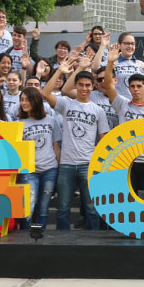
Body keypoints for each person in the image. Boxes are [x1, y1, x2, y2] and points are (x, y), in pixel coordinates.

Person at [43, 59, 110, 230]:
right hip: (66, 164)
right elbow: (45, 93)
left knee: (91, 208)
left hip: (88, 164)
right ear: (76, 86)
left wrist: (101, 163)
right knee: (63, 208)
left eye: (88, 85)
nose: (84, 88)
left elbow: (104, 138)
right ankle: (62, 243)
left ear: (92, 86)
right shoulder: (66, 104)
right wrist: (59, 71)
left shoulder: (98, 110)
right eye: (80, 85)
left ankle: (94, 244)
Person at [102, 53, 144, 203]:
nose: (136, 89)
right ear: (129, 88)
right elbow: (108, 85)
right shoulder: (122, 104)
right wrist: (110, 62)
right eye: (132, 86)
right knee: (127, 203)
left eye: (139, 86)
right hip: (126, 163)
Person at [18, 87, 61, 229]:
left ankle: (41, 238)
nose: (24, 103)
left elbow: (56, 145)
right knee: (28, 207)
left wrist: (59, 166)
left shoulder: (50, 120)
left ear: (35, 101)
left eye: (27, 99)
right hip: (29, 170)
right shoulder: (19, 123)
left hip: (50, 169)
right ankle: (24, 237)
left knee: (43, 208)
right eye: (22, 100)